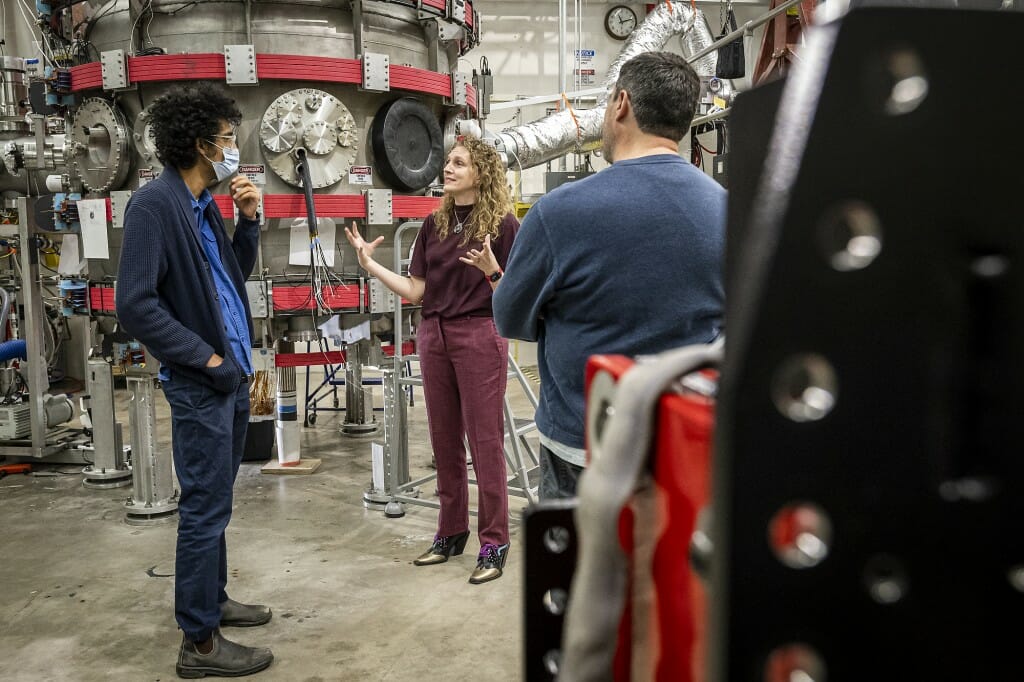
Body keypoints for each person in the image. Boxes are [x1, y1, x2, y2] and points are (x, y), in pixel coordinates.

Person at [493, 51, 726, 499]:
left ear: (621, 104)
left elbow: (509, 318)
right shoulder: (728, 211)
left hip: (584, 450)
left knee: (584, 569)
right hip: (688, 447)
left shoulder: (557, 213)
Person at [115, 82, 274, 678]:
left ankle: (215, 599)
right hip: (202, 382)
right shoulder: (156, 206)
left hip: (229, 378)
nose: (234, 148)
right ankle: (199, 643)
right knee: (205, 507)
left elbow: (229, 282)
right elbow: (134, 303)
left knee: (220, 499)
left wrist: (250, 222)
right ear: (203, 145)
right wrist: (204, 359)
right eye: (229, 139)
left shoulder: (202, 206)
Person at [345, 136, 518, 584]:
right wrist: (371, 266)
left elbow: (513, 297)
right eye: (449, 163)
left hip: (480, 333)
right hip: (433, 335)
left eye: (459, 163)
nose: (449, 169)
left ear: (481, 172)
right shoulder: (433, 224)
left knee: (485, 445)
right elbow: (416, 291)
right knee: (443, 442)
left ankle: (494, 541)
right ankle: (450, 532)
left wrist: (492, 271)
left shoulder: (502, 224)